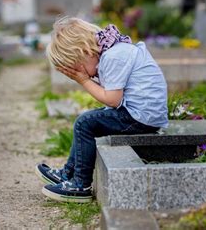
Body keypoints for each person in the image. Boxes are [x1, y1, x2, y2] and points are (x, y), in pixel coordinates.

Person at [36, 17, 168, 203]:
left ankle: (80, 184)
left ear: (84, 50)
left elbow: (113, 100)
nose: (86, 74)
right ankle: (68, 173)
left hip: (141, 117)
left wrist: (84, 81)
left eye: (78, 68)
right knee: (88, 120)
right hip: (143, 114)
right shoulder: (114, 50)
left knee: (85, 123)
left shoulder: (112, 56)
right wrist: (87, 78)